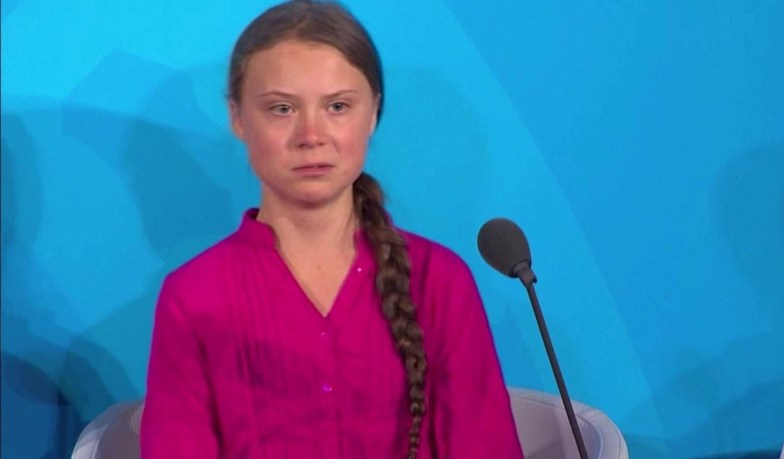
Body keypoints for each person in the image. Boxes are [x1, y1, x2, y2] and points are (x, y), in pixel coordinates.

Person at [140, 1, 523, 457]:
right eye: (282, 108)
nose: (311, 135)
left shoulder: (439, 281)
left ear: (373, 112)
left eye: (338, 106)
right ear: (238, 117)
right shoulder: (194, 297)